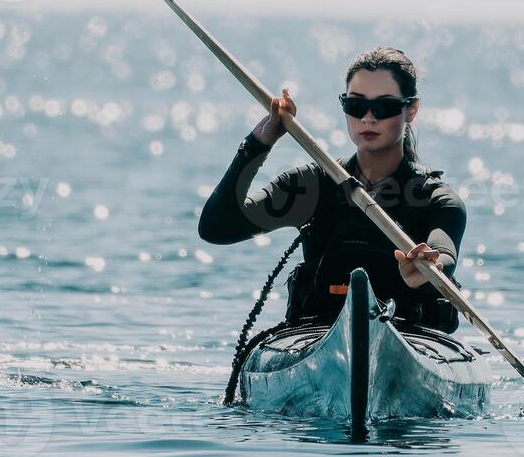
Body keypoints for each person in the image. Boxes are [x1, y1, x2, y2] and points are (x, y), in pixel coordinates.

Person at [198, 46, 467, 332]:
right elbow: (216, 228)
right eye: (356, 105)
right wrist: (259, 143)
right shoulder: (310, 187)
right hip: (317, 337)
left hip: (410, 337)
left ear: (411, 109)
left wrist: (430, 268)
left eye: (384, 107)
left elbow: (443, 252)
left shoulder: (438, 200)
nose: (368, 117)